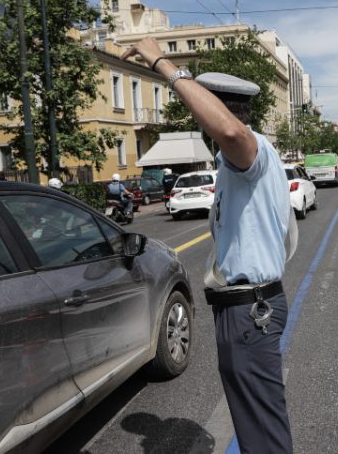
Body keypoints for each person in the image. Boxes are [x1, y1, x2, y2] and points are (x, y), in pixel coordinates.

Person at [121, 39, 293, 453]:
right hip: (244, 309)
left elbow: (232, 130)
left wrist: (163, 63)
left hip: (249, 311)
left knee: (263, 431)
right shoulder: (232, 163)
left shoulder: (248, 149)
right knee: (257, 423)